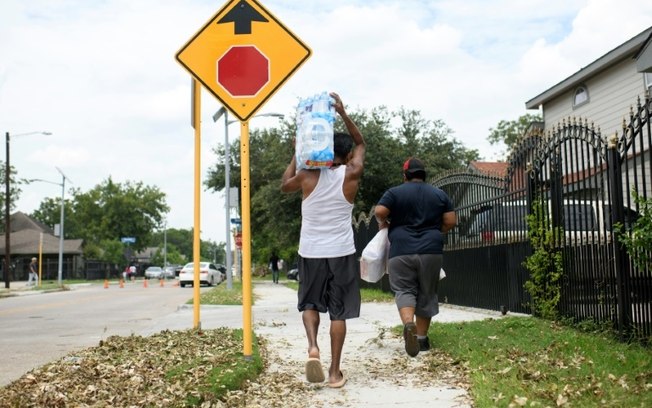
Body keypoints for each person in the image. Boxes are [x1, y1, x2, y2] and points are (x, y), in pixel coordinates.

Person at [281, 92, 366, 388]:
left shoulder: (306, 177)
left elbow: (283, 185)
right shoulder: (352, 174)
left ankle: (312, 347)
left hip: (311, 252)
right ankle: (333, 372)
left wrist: (298, 151)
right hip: (341, 252)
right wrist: (342, 112)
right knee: (339, 311)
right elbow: (360, 143)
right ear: (345, 156)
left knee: (310, 303)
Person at [373, 158, 457, 357]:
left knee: (404, 290)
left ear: (405, 175)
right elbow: (451, 221)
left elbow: (379, 211)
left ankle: (408, 324)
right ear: (423, 175)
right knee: (427, 292)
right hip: (431, 250)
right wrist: (435, 230)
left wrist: (383, 223)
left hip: (401, 250)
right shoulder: (439, 194)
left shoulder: (394, 192)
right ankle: (421, 339)